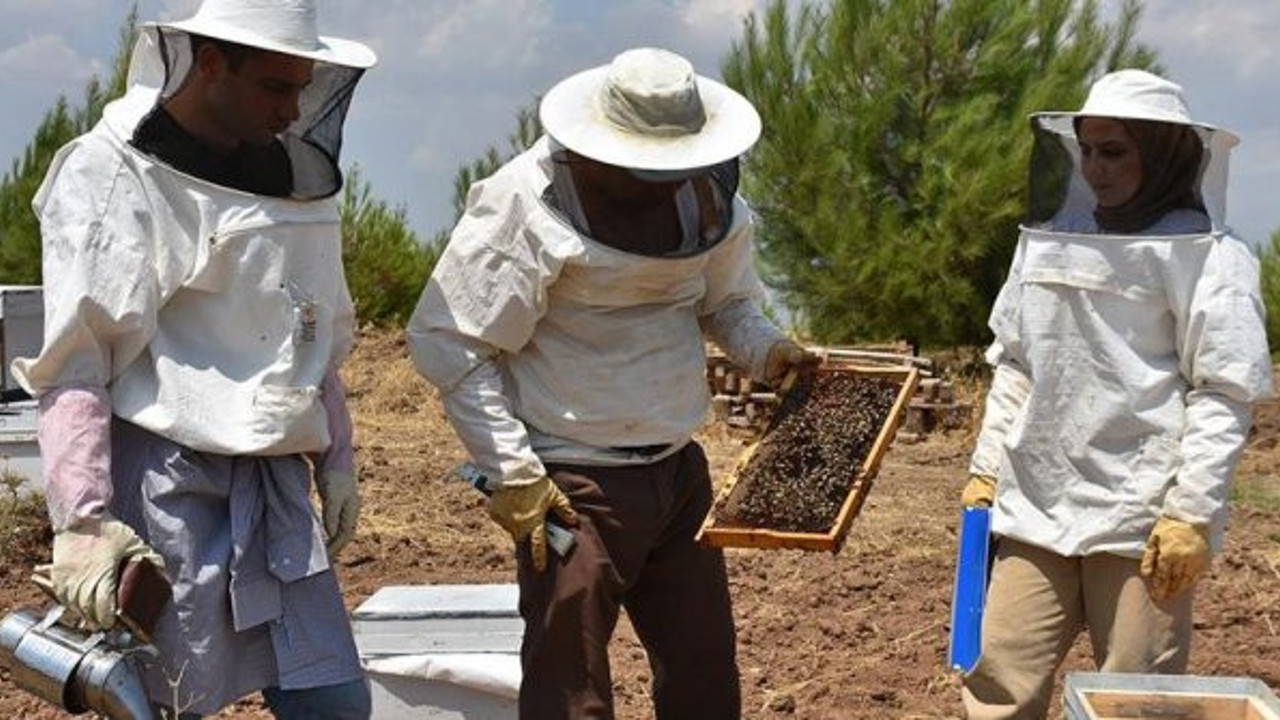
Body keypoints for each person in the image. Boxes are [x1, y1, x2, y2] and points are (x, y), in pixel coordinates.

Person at [407, 47, 817, 719]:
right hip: (572, 485)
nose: (665, 182)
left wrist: (769, 351)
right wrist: (511, 472)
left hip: (680, 472)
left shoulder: (711, 200)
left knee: (704, 679)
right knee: (571, 691)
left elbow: (726, 302)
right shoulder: (523, 202)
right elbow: (451, 338)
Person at [15, 1, 377, 717]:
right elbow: (78, 361)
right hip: (165, 484)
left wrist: (335, 458)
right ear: (211, 63)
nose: (291, 108)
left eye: (302, 88)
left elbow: (305, 333)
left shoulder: (294, 182)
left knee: (332, 703)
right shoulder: (112, 174)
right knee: (163, 703)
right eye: (276, 87)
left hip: (273, 488)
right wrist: (83, 520)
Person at [959, 69, 1274, 719]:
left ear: (1162, 156)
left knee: (1136, 700)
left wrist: (1190, 513)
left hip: (1142, 517)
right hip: (1036, 504)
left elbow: (1222, 392)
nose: (1096, 169)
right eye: (1088, 150)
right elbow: (1016, 363)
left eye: (1115, 151)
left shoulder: (1211, 257)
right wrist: (987, 470)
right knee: (998, 688)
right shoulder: (1047, 241)